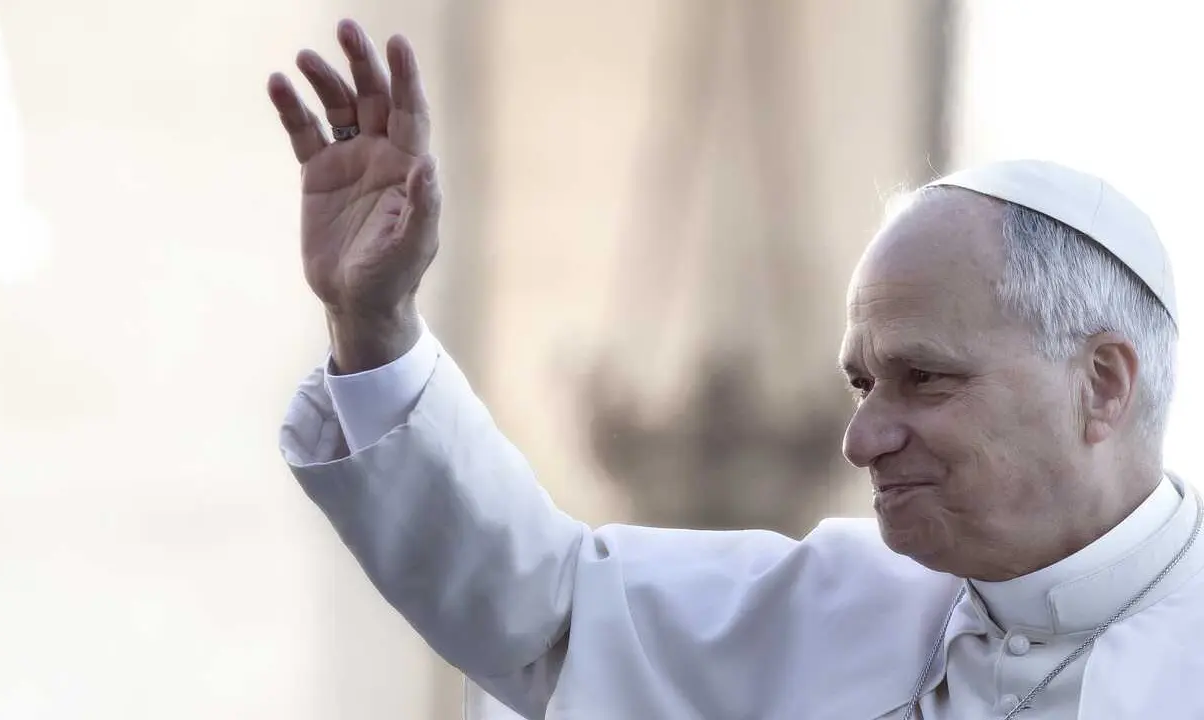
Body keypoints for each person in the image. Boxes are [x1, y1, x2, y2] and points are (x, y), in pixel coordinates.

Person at [268, 19, 1204, 720]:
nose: (862, 438)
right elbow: (541, 608)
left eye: (927, 378)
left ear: (1103, 384)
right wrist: (375, 321)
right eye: (861, 384)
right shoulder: (836, 604)